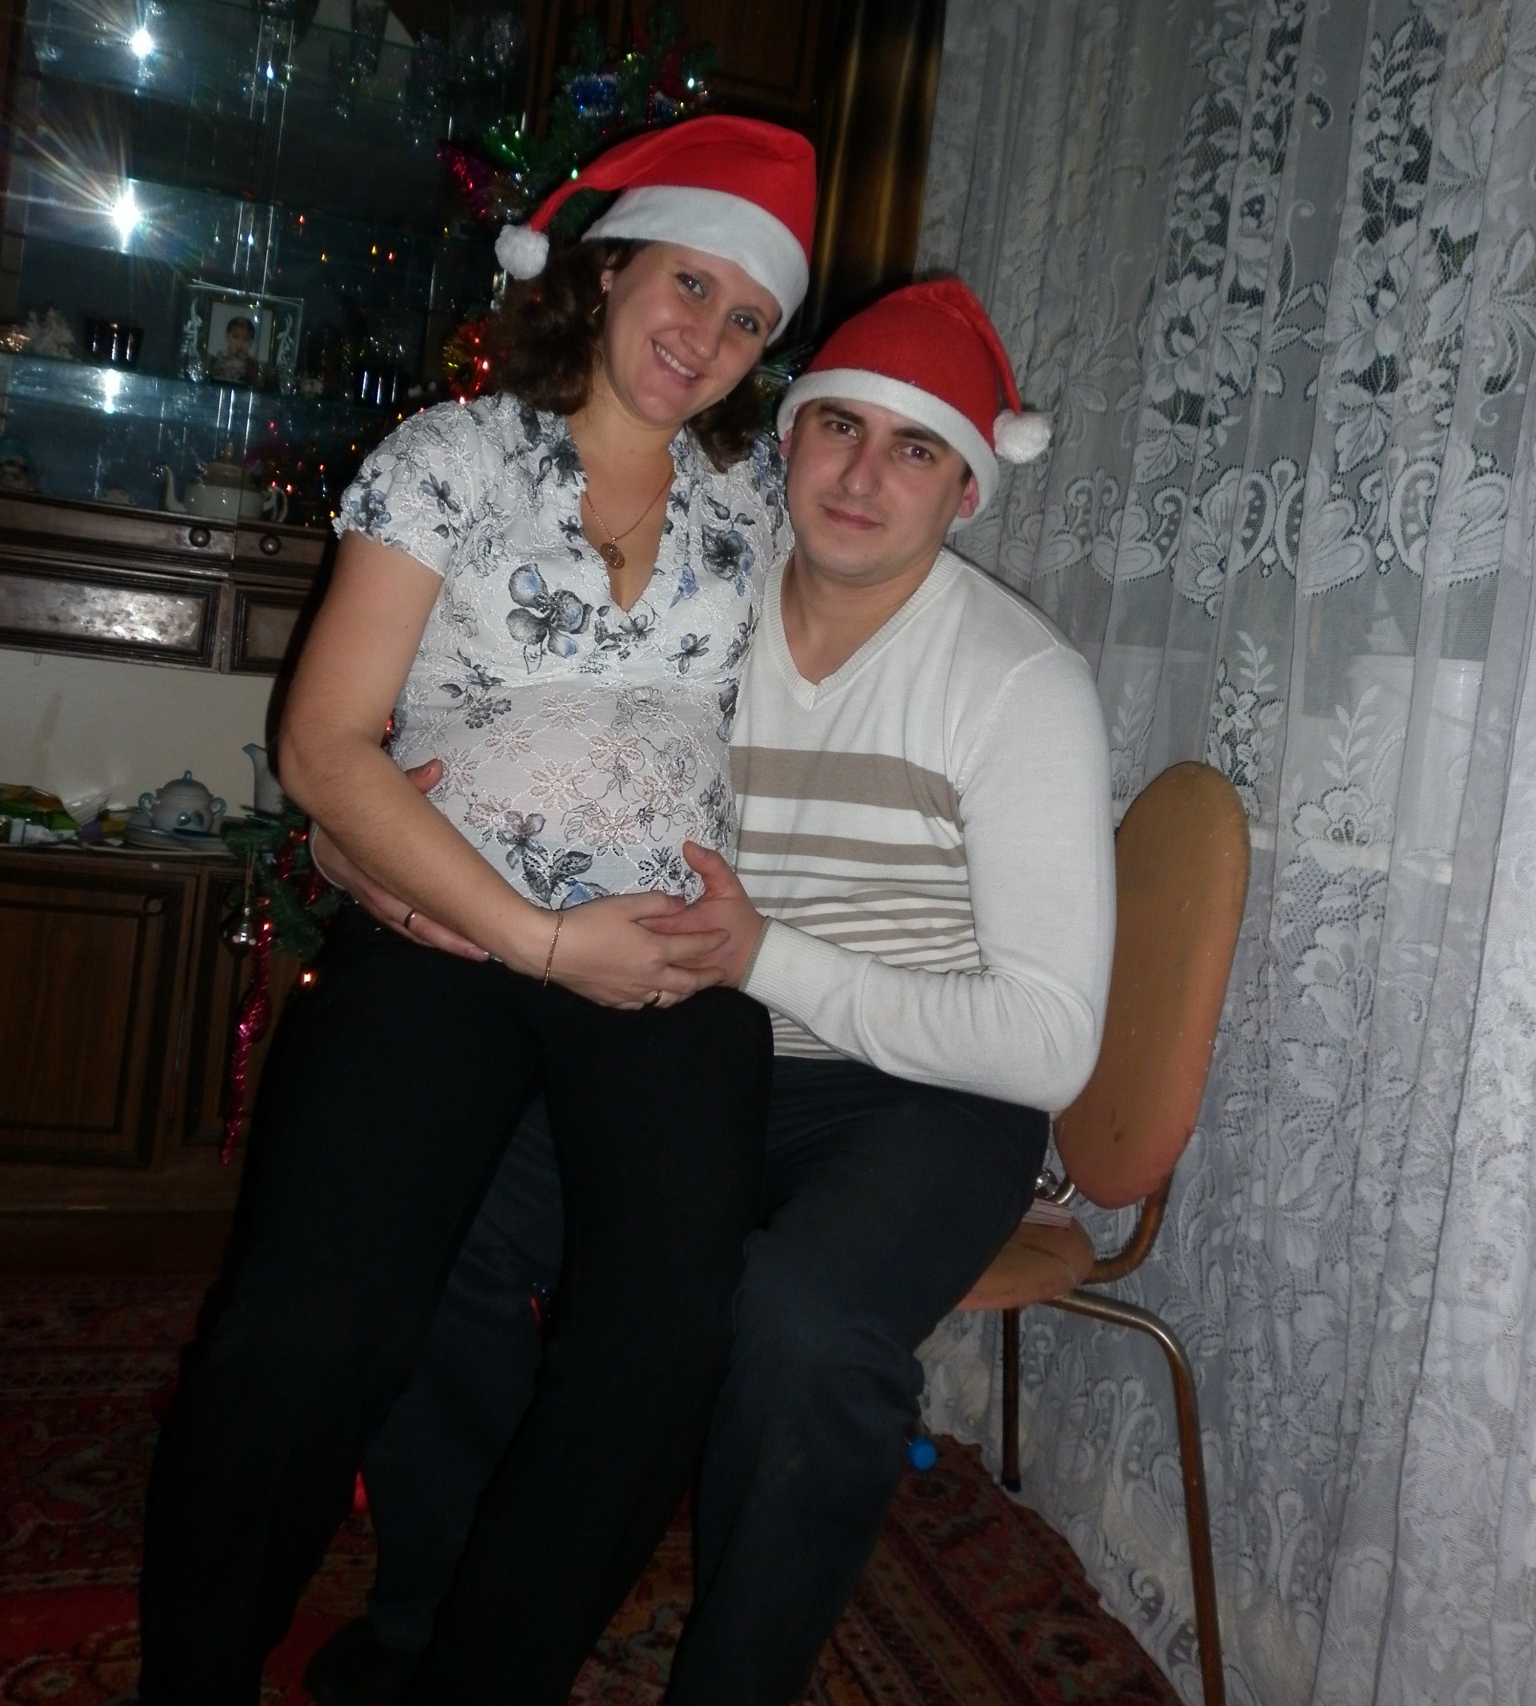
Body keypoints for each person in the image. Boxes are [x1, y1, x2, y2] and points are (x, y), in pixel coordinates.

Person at [307, 278, 1117, 1706]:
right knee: (446, 1215)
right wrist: (347, 845)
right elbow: (465, 735)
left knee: (800, 1325)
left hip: (929, 1094)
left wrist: (765, 957)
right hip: (697, 1049)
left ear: (968, 491)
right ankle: (440, 1623)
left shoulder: (1019, 682)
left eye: (915, 450)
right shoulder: (704, 595)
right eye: (838, 428)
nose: (862, 477)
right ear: (783, 438)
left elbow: (1050, 1044)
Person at [136, 114, 818, 1706]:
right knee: (310, 1329)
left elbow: (889, 582)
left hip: (666, 961)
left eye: (748, 318)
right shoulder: (454, 456)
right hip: (443, 939)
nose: (707, 336)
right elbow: (324, 743)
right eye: (689, 283)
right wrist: (521, 930)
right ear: (609, 270)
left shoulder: (759, 499)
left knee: (661, 1349)